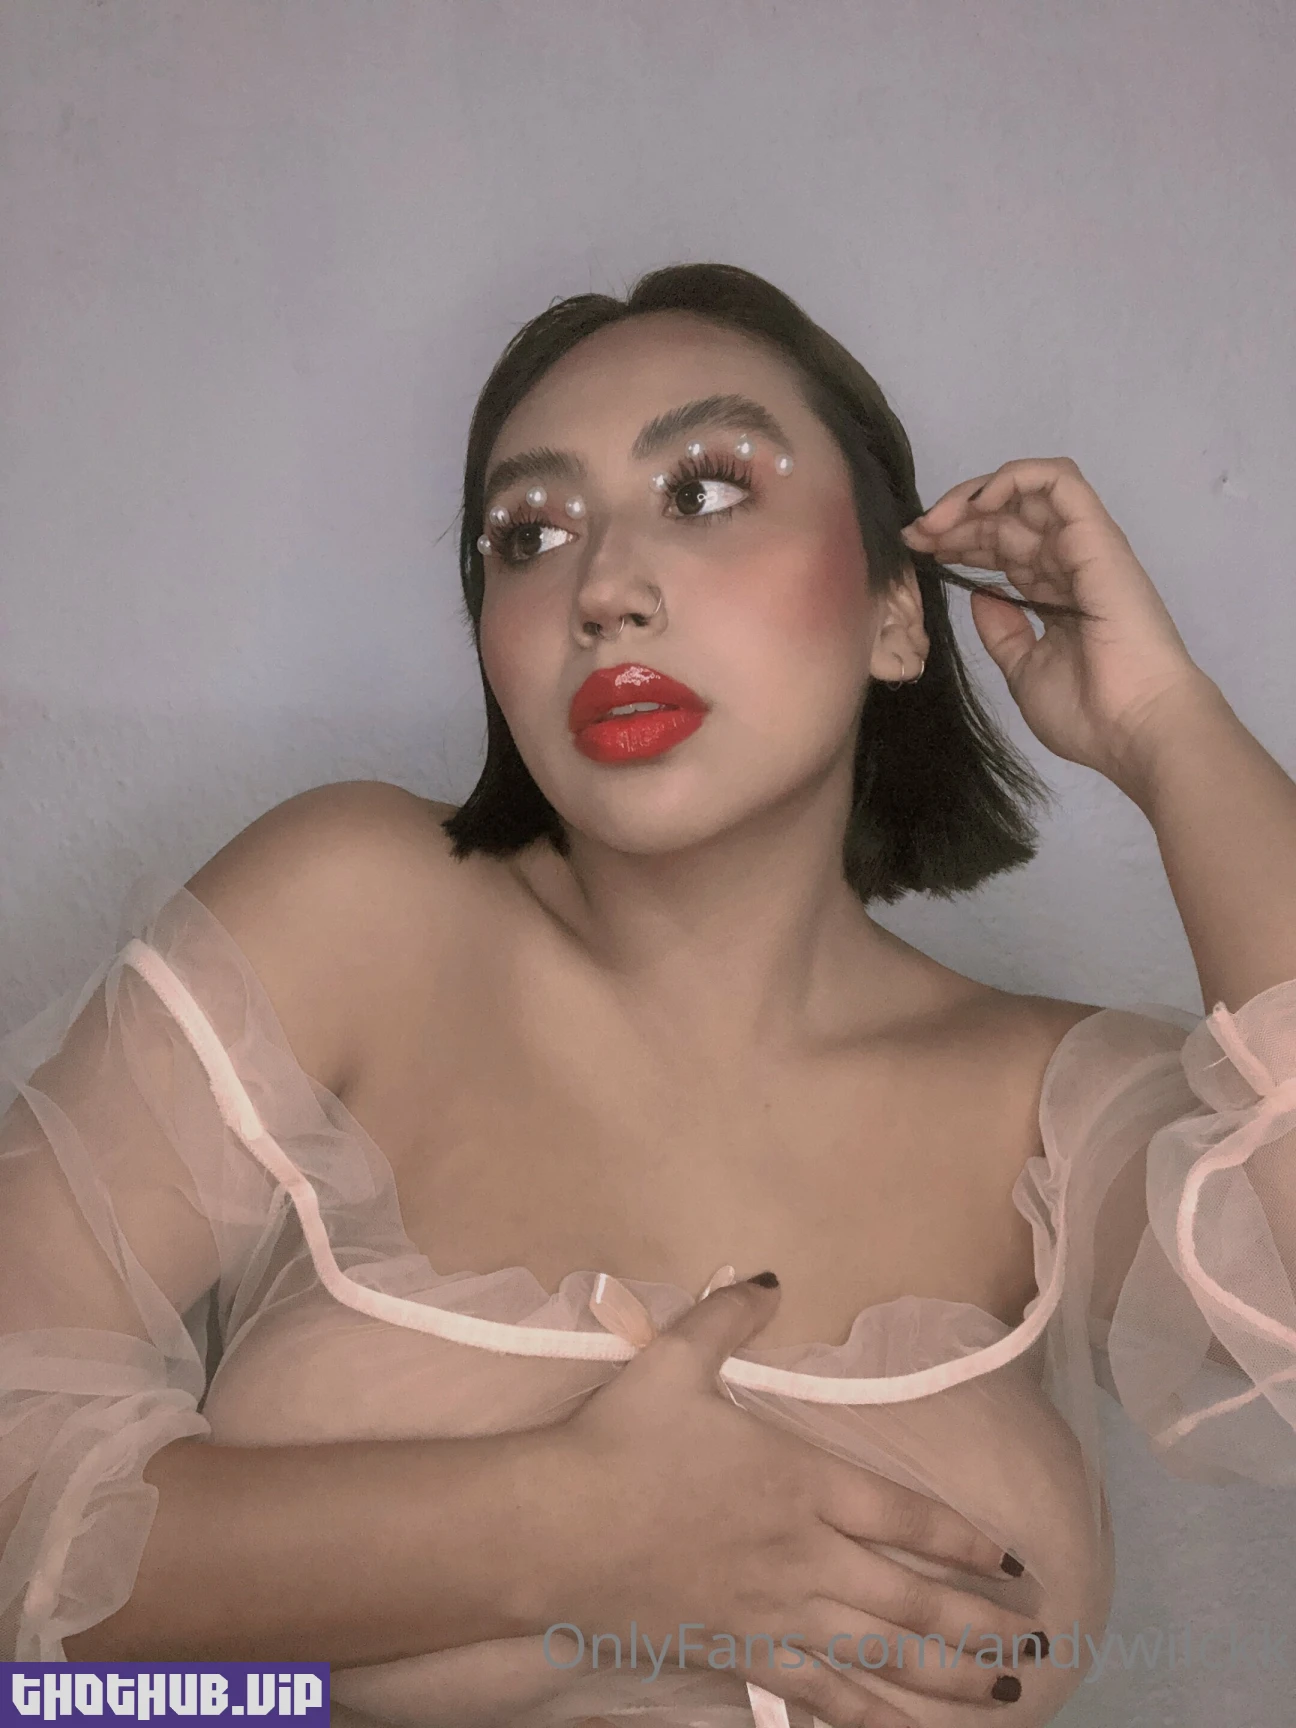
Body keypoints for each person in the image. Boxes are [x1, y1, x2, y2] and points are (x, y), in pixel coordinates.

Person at [2, 262, 1293, 1728]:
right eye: (529, 535)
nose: (603, 588)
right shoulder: (354, 916)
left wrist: (1168, 726)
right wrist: (565, 1530)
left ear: (896, 611)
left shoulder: (1045, 1102)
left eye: (707, 490)